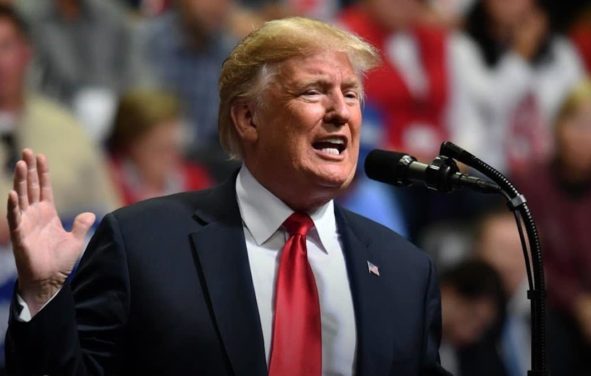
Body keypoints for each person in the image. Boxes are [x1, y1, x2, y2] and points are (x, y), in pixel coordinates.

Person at [5, 17, 449, 375]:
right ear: (248, 118)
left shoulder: (404, 272)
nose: (340, 112)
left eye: (350, 94)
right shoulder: (143, 245)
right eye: (314, 91)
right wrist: (44, 295)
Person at [106, 89, 212, 205]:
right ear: (131, 146)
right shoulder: (107, 182)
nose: (172, 157)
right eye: (159, 149)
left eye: (174, 147)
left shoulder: (196, 179)